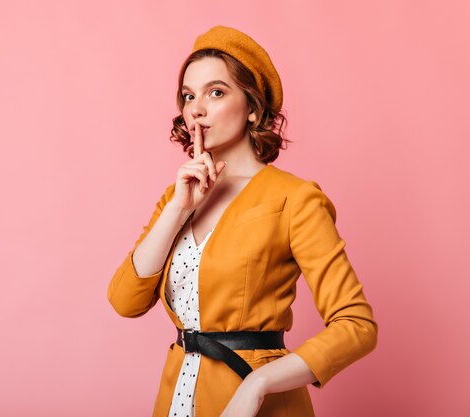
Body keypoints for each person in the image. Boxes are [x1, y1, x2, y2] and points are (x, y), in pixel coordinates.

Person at [107, 25, 377, 417]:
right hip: (177, 399)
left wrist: (258, 384)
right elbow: (124, 301)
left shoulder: (294, 199)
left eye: (216, 92)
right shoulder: (178, 197)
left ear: (252, 107)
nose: (197, 108)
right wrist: (179, 209)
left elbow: (356, 325)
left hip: (258, 405)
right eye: (188, 96)